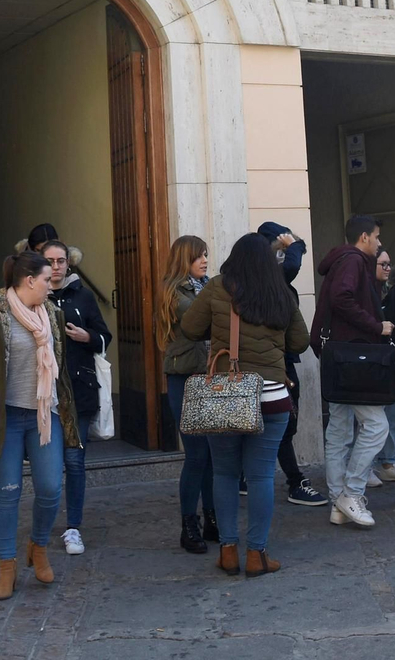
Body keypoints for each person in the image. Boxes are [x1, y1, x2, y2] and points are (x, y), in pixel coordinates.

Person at [180, 232, 310, 577]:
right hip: (272, 396)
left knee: (223, 472)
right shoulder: (279, 290)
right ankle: (257, 554)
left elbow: (189, 328)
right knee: (262, 475)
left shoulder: (217, 287)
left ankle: (227, 551)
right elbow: (301, 340)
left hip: (227, 394)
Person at [0, 251, 83, 601]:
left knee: (49, 488)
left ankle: (38, 548)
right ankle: (7, 566)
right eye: (46, 279)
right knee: (8, 492)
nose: (51, 283)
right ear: (29, 281)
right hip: (7, 417)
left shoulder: (52, 315)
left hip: (45, 415)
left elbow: (60, 369)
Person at [315, 215, 393, 528]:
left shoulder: (340, 261)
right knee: (376, 427)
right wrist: (377, 326)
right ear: (364, 237)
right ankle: (351, 493)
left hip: (339, 356)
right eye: (376, 237)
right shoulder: (353, 262)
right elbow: (342, 298)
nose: (378, 243)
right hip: (354, 358)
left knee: (339, 430)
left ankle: (339, 502)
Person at [42, 240, 112, 556]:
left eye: (61, 261)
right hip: (44, 396)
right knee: (49, 465)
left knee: (75, 461)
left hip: (78, 393)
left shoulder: (82, 296)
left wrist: (88, 337)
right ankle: (41, 527)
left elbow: (103, 336)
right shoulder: (32, 296)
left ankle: (73, 528)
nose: (56, 267)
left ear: (69, 263)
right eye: (50, 261)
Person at [256, 221, 327, 508]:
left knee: (281, 423)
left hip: (280, 359)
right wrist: (292, 246)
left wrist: (294, 245)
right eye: (281, 248)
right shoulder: (266, 275)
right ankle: (295, 481)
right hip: (275, 361)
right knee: (282, 423)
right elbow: (292, 266)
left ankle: (253, 478)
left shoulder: (269, 275)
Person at [158, 234, 218, 553]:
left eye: (206, 255)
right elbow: (200, 319)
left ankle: (212, 519)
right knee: (196, 454)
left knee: (209, 454)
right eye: (198, 256)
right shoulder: (175, 291)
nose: (205, 261)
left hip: (208, 376)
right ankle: (188, 525)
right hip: (184, 378)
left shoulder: (205, 286)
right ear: (184, 260)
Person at [370, 247, 395, 486]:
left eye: (389, 264)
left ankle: (387, 461)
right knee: (373, 419)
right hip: (376, 362)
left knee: (394, 415)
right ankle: (367, 465)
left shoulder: (391, 291)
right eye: (382, 264)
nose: (388, 269)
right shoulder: (366, 292)